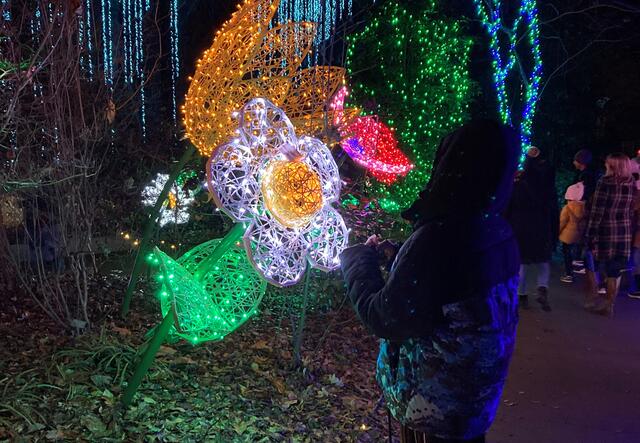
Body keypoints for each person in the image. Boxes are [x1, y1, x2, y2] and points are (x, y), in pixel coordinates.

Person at [340, 120, 520, 443]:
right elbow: (447, 291)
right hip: (472, 404)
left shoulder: (441, 237)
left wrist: (358, 260)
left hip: (432, 411)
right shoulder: (496, 230)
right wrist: (399, 256)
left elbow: (385, 316)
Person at [505, 146, 558, 311]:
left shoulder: (519, 185)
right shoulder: (548, 187)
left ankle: (522, 296)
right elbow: (553, 210)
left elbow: (509, 207)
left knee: (523, 264)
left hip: (521, 228)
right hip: (541, 227)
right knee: (543, 261)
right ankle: (542, 287)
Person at [584, 153, 636, 316]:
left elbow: (597, 211)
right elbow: (630, 209)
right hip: (624, 232)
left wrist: (590, 233)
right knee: (615, 269)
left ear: (612, 166)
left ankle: (597, 297)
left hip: (605, 231)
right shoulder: (631, 183)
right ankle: (609, 304)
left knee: (596, 263)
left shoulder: (605, 183)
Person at [559, 182, 586, 283]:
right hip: (580, 234)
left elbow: (562, 222)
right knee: (579, 252)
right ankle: (581, 267)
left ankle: (569, 273)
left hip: (568, 236)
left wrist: (557, 232)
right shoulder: (585, 207)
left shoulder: (567, 208)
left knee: (567, 254)